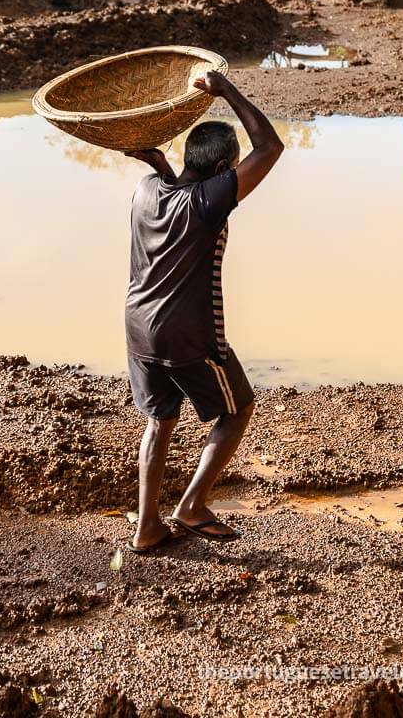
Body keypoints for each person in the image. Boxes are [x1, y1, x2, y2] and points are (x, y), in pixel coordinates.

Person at [120, 70, 283, 552]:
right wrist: (225, 91)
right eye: (231, 170)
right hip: (188, 334)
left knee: (160, 421)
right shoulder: (211, 203)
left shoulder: (148, 189)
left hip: (138, 329)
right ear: (220, 172)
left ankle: (147, 527)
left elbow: (175, 196)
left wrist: (163, 167)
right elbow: (269, 147)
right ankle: (191, 505)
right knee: (237, 410)